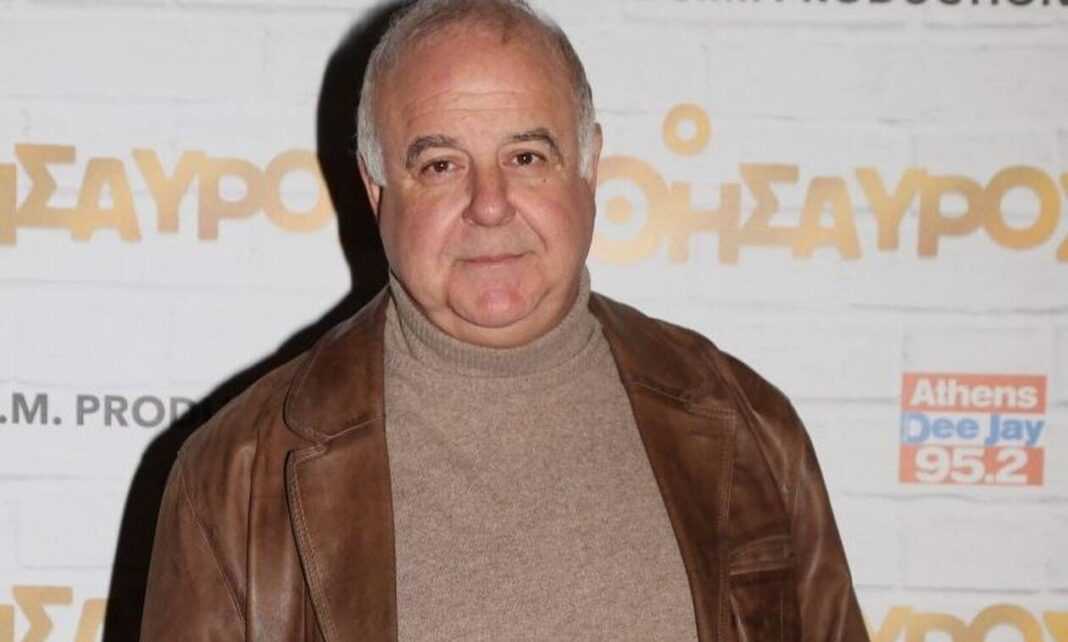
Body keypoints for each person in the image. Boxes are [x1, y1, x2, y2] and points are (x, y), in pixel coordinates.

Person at [140, 1, 870, 640]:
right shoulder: (237, 476)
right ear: (376, 190)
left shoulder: (748, 426)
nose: (489, 205)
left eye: (526, 156)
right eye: (440, 165)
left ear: (589, 168)